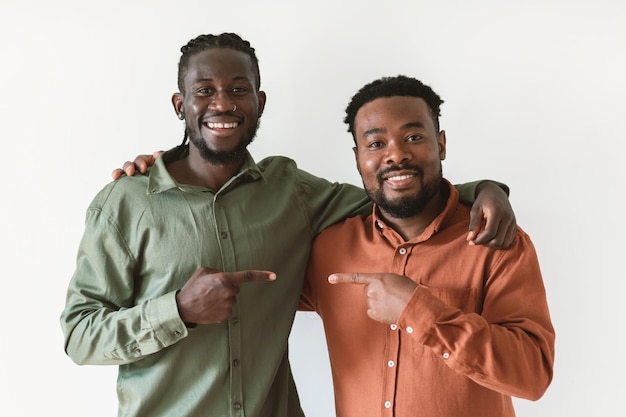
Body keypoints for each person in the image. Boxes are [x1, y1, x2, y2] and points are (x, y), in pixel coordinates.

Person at [60, 33, 516, 417]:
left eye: (239, 90)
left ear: (258, 102)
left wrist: (486, 189)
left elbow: (393, 192)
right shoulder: (126, 202)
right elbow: (80, 336)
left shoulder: (292, 191)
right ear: (181, 105)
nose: (223, 103)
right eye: (204, 91)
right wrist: (177, 310)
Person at [300, 75, 555, 417]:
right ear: (357, 156)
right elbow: (258, 309)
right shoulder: (328, 250)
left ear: (442, 144)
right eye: (376, 144)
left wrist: (418, 310)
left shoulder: (495, 241)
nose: (396, 155)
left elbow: (532, 375)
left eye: (413, 137)